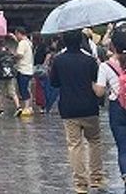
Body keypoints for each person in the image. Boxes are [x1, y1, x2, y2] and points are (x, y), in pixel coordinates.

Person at [51, 30, 104, 193]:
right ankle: (96, 178)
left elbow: (54, 83)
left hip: (68, 108)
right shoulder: (90, 60)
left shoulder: (58, 60)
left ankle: (80, 183)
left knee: (74, 145)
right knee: (94, 141)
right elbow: (97, 82)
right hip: (89, 107)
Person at [94, 28, 126, 193]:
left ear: (113, 46)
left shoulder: (105, 66)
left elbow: (99, 92)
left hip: (117, 108)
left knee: (123, 147)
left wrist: (92, 84)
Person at [14, 27, 35, 116]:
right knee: (28, 88)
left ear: (19, 33)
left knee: (23, 89)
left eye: (16, 34)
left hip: (23, 69)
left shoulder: (22, 43)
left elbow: (20, 55)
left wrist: (13, 56)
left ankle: (26, 107)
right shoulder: (29, 42)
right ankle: (30, 107)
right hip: (29, 69)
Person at [0, 39, 21, 115]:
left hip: (1, 76)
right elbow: (14, 62)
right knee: (13, 92)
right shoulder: (10, 53)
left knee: (0, 92)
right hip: (10, 75)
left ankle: (1, 110)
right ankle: (18, 107)